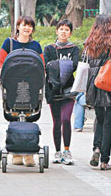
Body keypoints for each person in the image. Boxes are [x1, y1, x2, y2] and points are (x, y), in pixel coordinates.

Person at [0, 16, 44, 167]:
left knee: (30, 116)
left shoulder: (36, 45)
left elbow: (41, 64)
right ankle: (16, 153)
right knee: (14, 116)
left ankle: (29, 153)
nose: (27, 28)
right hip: (13, 86)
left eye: (30, 26)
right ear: (18, 27)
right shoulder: (9, 43)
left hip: (31, 87)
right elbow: (1, 62)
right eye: (24, 25)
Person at [44, 20, 79, 165]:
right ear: (56, 31)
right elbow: (47, 66)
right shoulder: (49, 49)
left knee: (66, 119)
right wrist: (64, 65)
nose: (63, 32)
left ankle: (67, 150)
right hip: (53, 90)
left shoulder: (75, 49)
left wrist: (57, 66)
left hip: (69, 90)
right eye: (61, 29)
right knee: (56, 121)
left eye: (66, 29)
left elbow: (75, 65)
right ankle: (57, 151)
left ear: (70, 33)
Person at [84, 14, 111, 170]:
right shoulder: (110, 43)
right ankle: (104, 160)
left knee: (99, 119)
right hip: (107, 82)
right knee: (108, 122)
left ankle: (97, 148)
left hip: (93, 84)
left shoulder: (90, 42)